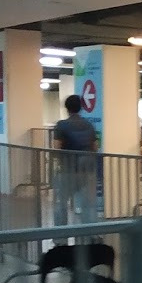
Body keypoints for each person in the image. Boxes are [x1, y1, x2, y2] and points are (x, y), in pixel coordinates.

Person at [51, 94, 98, 226]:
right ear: (81, 108)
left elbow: (56, 148)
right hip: (86, 171)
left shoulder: (61, 125)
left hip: (67, 170)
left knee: (61, 202)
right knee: (87, 204)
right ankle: (88, 232)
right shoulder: (89, 125)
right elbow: (95, 147)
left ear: (66, 108)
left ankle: (60, 233)